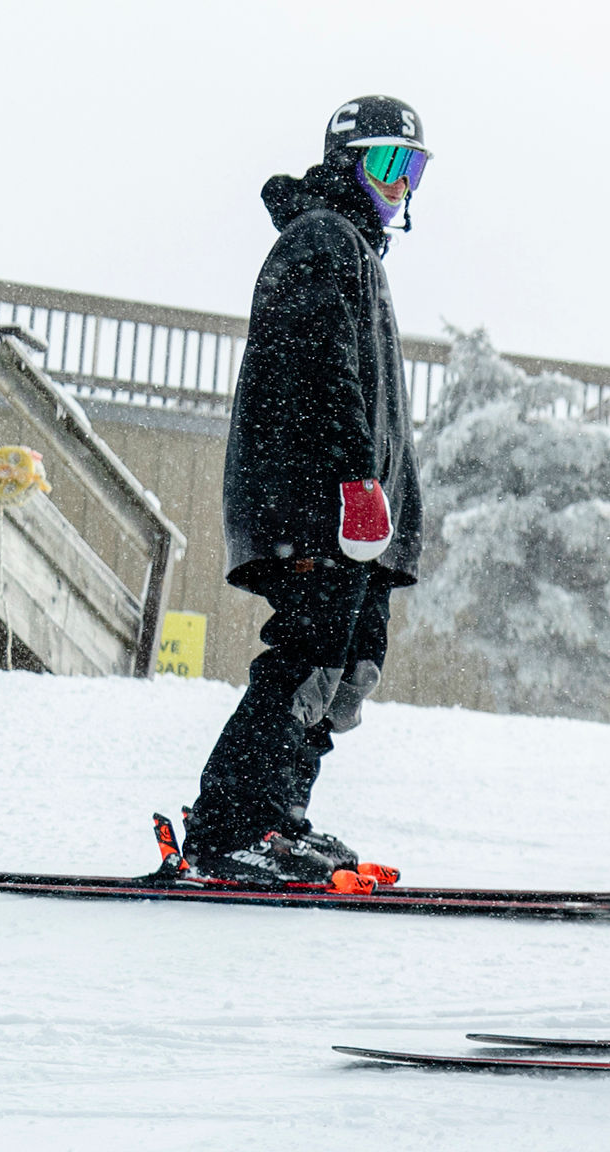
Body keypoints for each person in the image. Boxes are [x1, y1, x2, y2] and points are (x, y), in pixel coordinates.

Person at [177, 96, 433, 886]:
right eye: (388, 164)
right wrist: (351, 482)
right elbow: (317, 374)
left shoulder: (353, 248)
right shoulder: (320, 240)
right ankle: (229, 825)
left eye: (414, 168)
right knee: (308, 657)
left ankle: (278, 814)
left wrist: (394, 514)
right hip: (316, 506)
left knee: (348, 666)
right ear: (347, 163)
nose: (402, 186)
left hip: (362, 518)